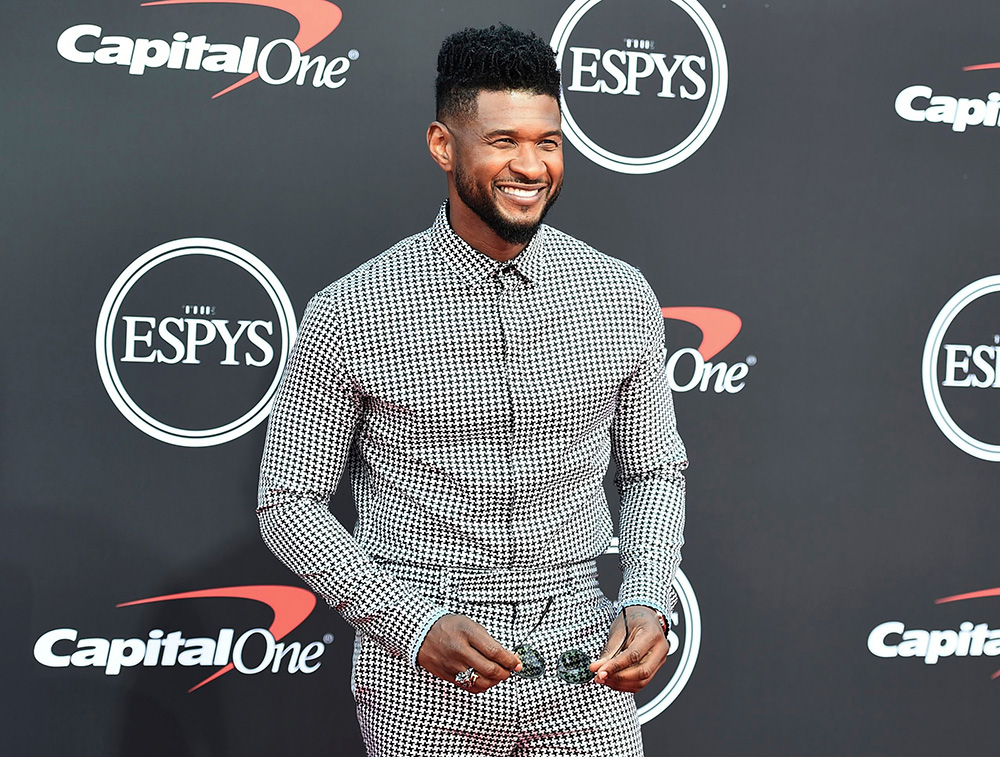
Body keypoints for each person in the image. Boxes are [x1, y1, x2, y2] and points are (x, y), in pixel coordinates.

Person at [257, 23, 687, 757]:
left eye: (547, 141)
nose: (530, 165)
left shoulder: (620, 295)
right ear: (443, 144)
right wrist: (407, 619)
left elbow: (652, 468)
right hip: (422, 680)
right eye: (502, 140)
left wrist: (647, 594)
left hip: (585, 670)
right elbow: (288, 503)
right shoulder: (353, 310)